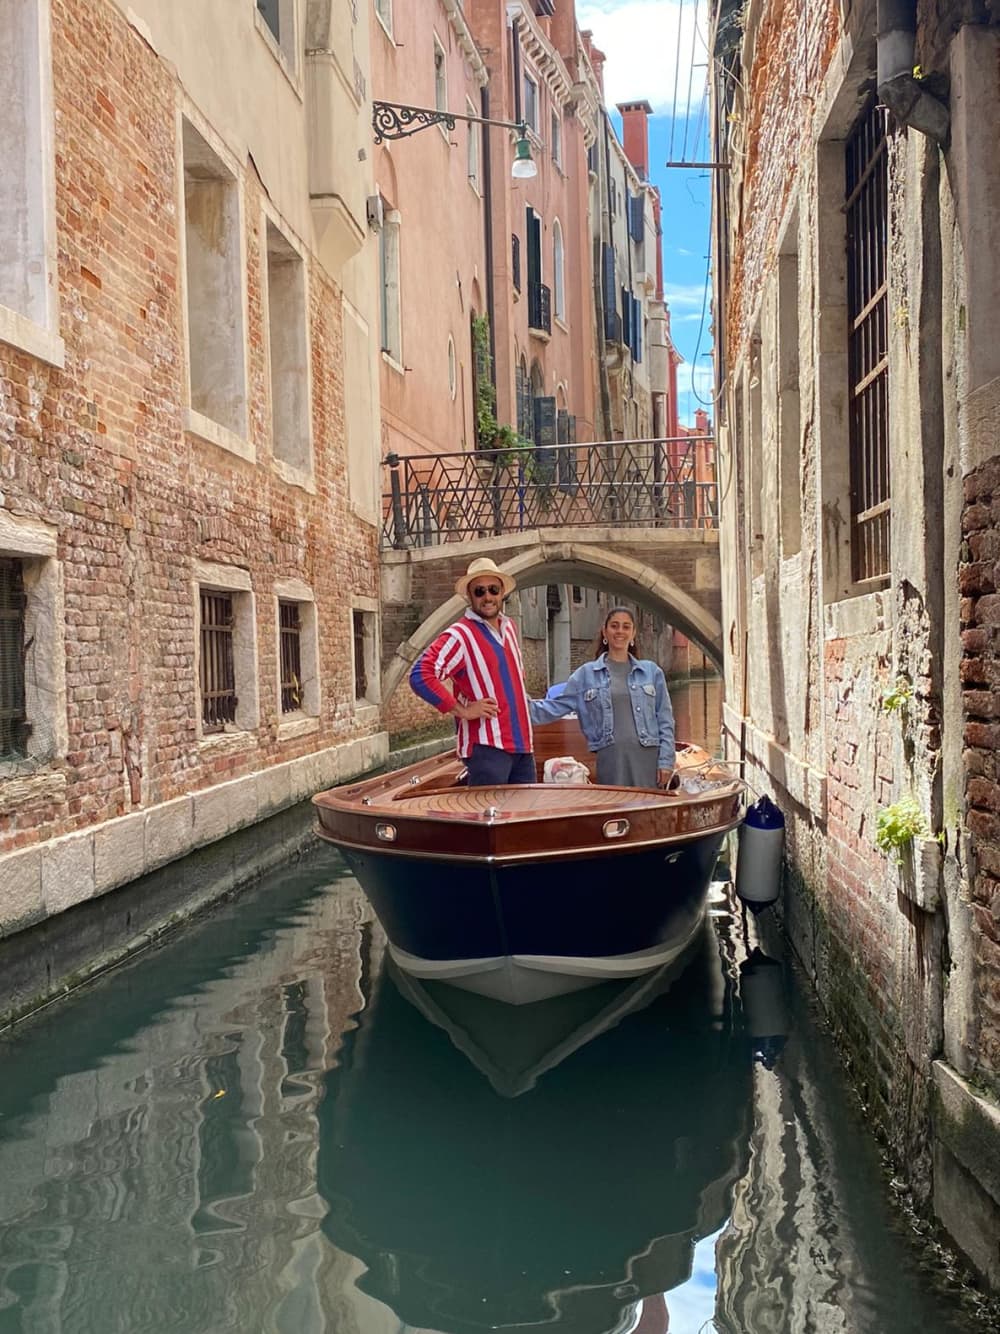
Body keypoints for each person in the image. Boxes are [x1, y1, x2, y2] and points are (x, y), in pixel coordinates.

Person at [409, 557, 535, 785]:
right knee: (489, 814)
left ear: (502, 592)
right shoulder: (460, 635)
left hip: (523, 747)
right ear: (470, 596)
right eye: (479, 591)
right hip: (487, 750)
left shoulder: (510, 629)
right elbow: (420, 675)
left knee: (524, 817)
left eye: (493, 590)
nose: (487, 597)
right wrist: (463, 711)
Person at [529, 606, 675, 788]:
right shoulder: (586, 675)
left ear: (633, 633)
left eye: (626, 626)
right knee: (617, 812)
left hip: (648, 758)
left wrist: (666, 761)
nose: (620, 631)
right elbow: (551, 709)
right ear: (605, 631)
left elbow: (665, 719)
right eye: (614, 626)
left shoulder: (652, 672)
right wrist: (512, 699)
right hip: (611, 759)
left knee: (649, 814)